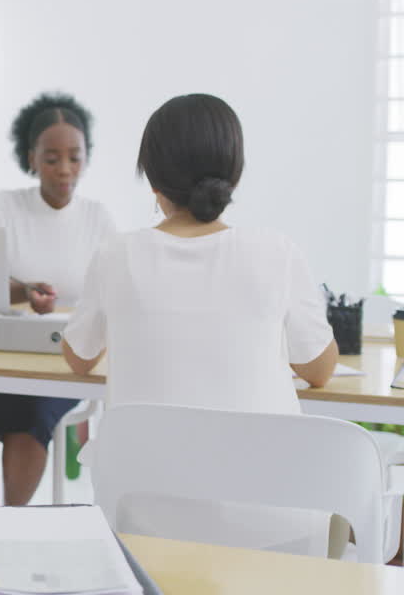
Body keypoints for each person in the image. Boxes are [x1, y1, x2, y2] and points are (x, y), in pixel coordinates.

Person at [62, 93, 346, 558]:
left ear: (152, 178)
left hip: (143, 519)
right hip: (270, 524)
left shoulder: (116, 255)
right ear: (233, 172)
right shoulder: (276, 251)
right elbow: (320, 370)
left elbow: (78, 358)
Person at [0, 93, 115, 506]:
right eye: (52, 158)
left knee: (29, 421)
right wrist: (24, 292)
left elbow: (110, 295)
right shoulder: (4, 206)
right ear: (31, 157)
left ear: (86, 158)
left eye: (75, 157)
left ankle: (9, 526)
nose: (64, 170)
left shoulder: (98, 218)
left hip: (60, 357)